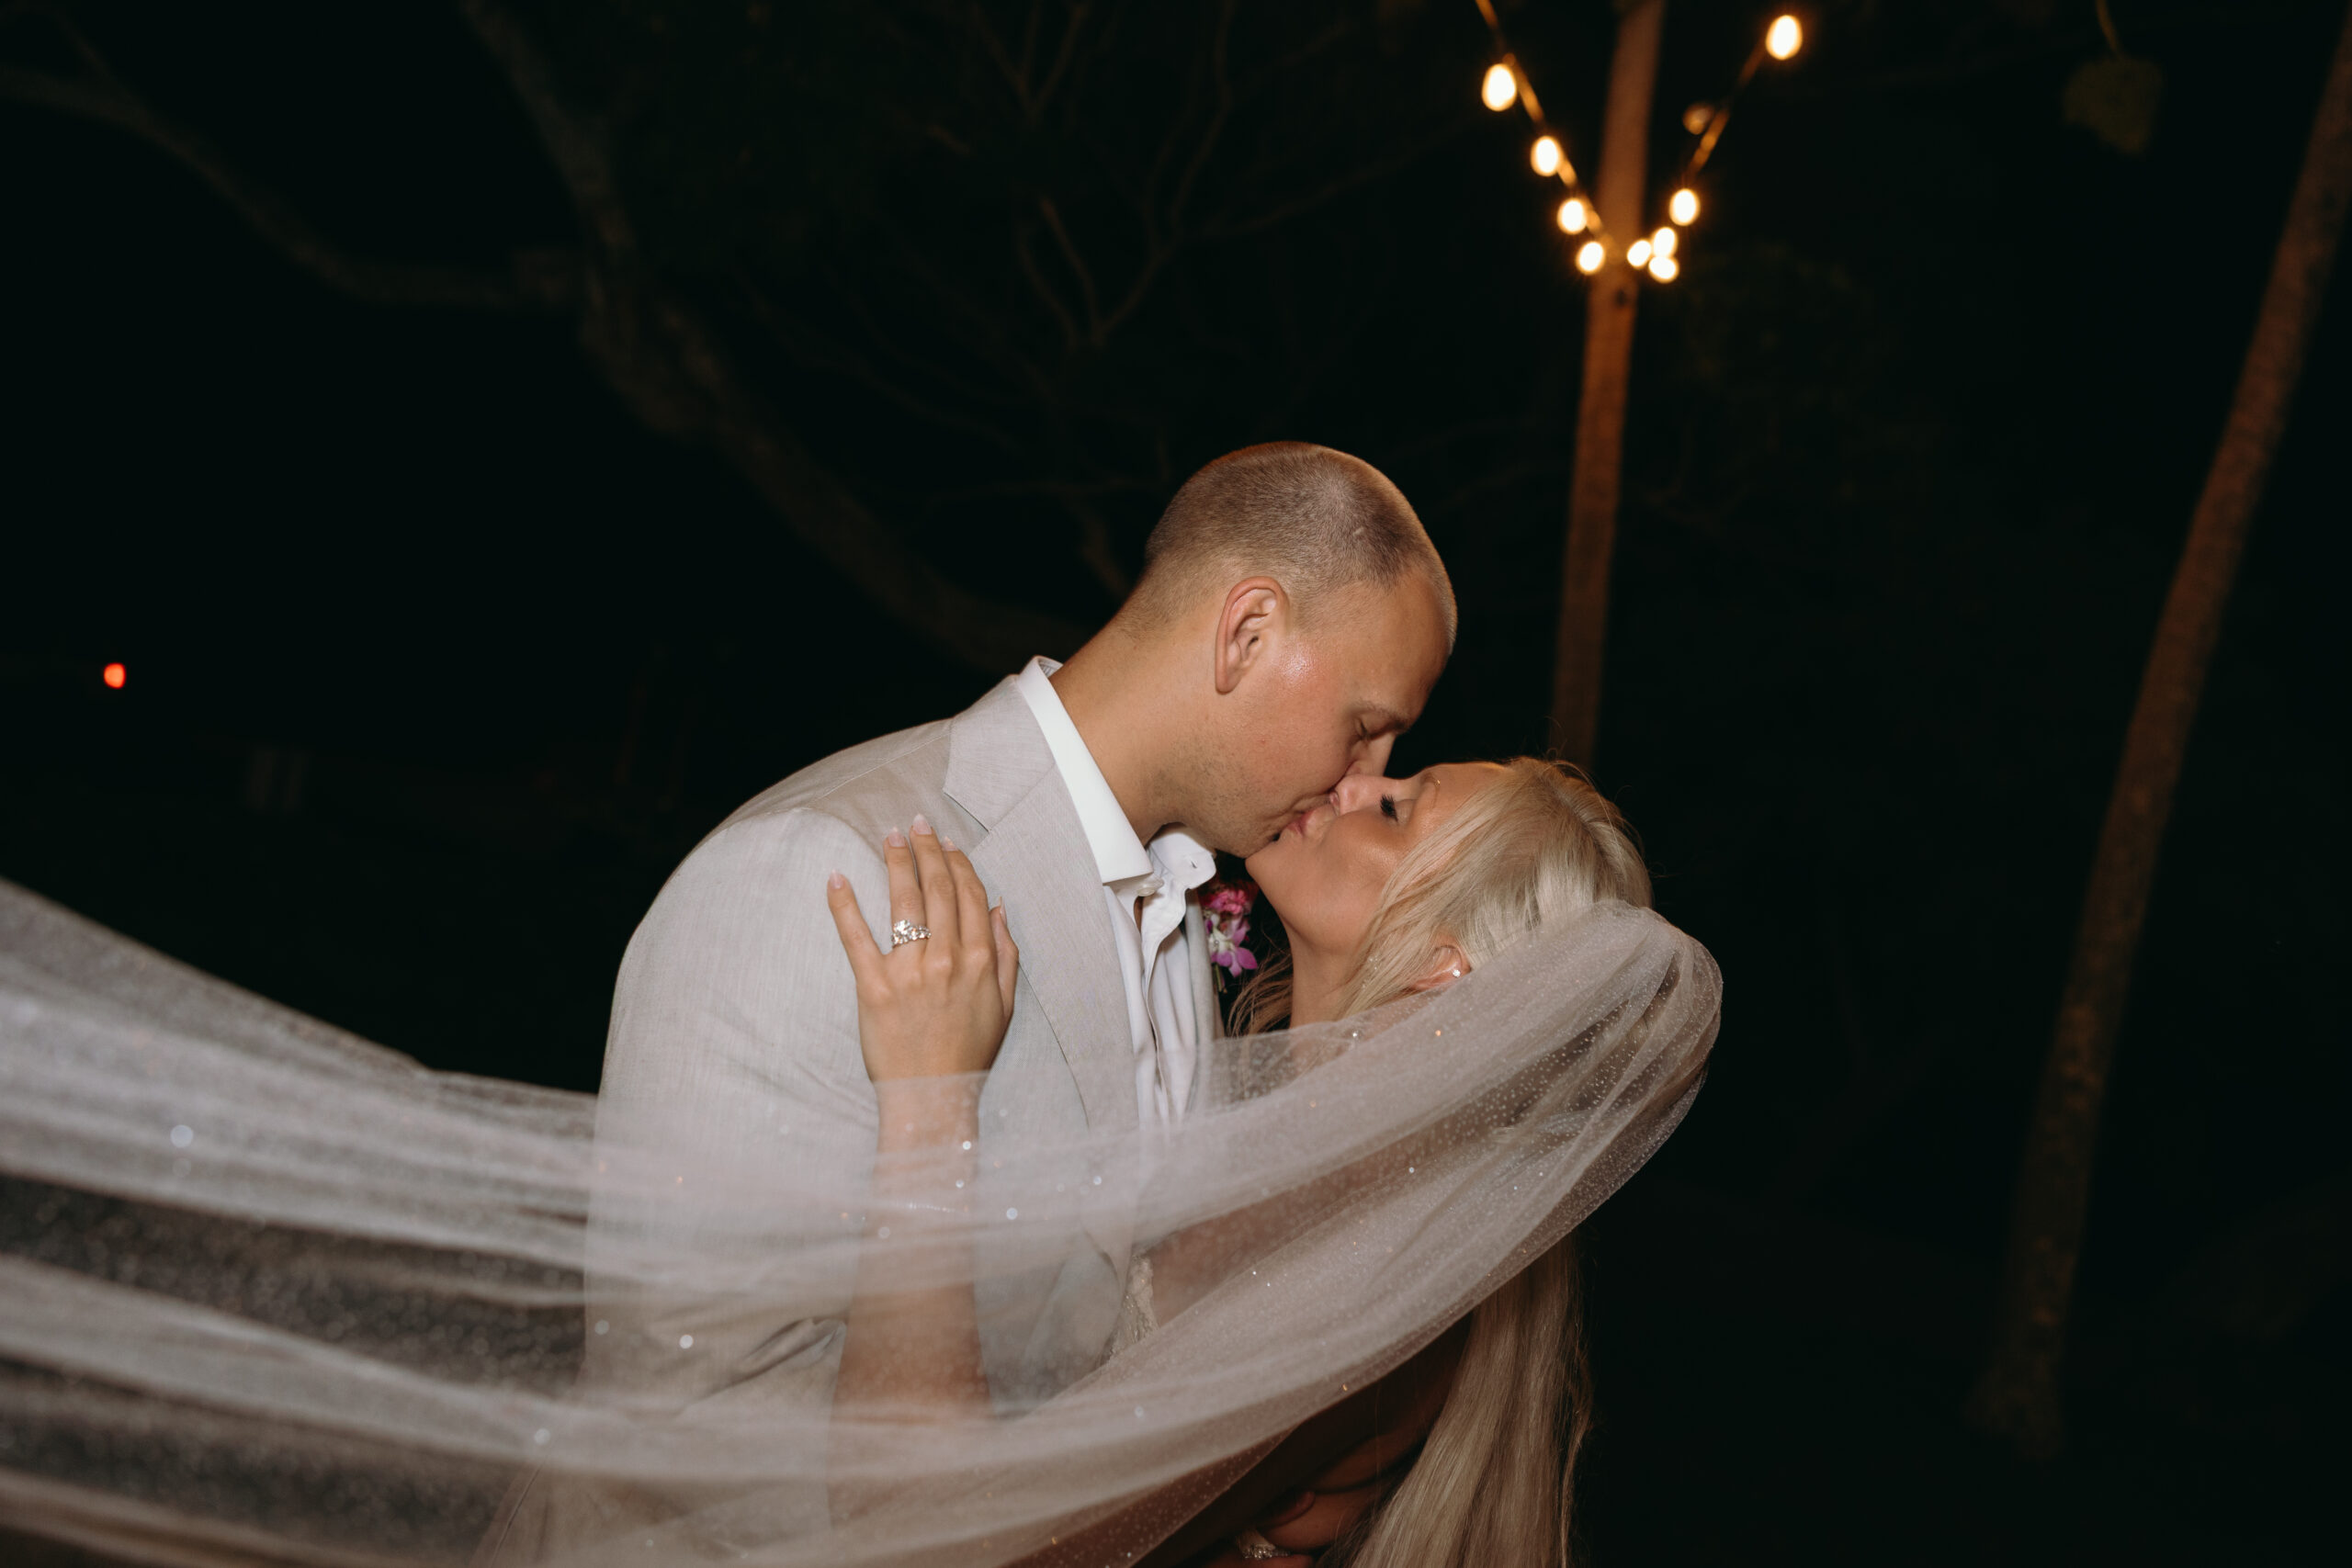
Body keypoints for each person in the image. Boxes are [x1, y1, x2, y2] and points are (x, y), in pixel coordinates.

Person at [483, 442, 1454, 1551]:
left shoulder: (1186, 924)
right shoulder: (822, 871)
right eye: (1368, 722)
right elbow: (688, 1422)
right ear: (1247, 631)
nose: (1361, 774)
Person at [826, 757, 1664, 1567]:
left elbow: (938, 1542)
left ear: (1442, 961)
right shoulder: (1270, 1126)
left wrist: (929, 1094)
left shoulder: (1369, 1262)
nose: (1351, 781)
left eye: (1394, 808)